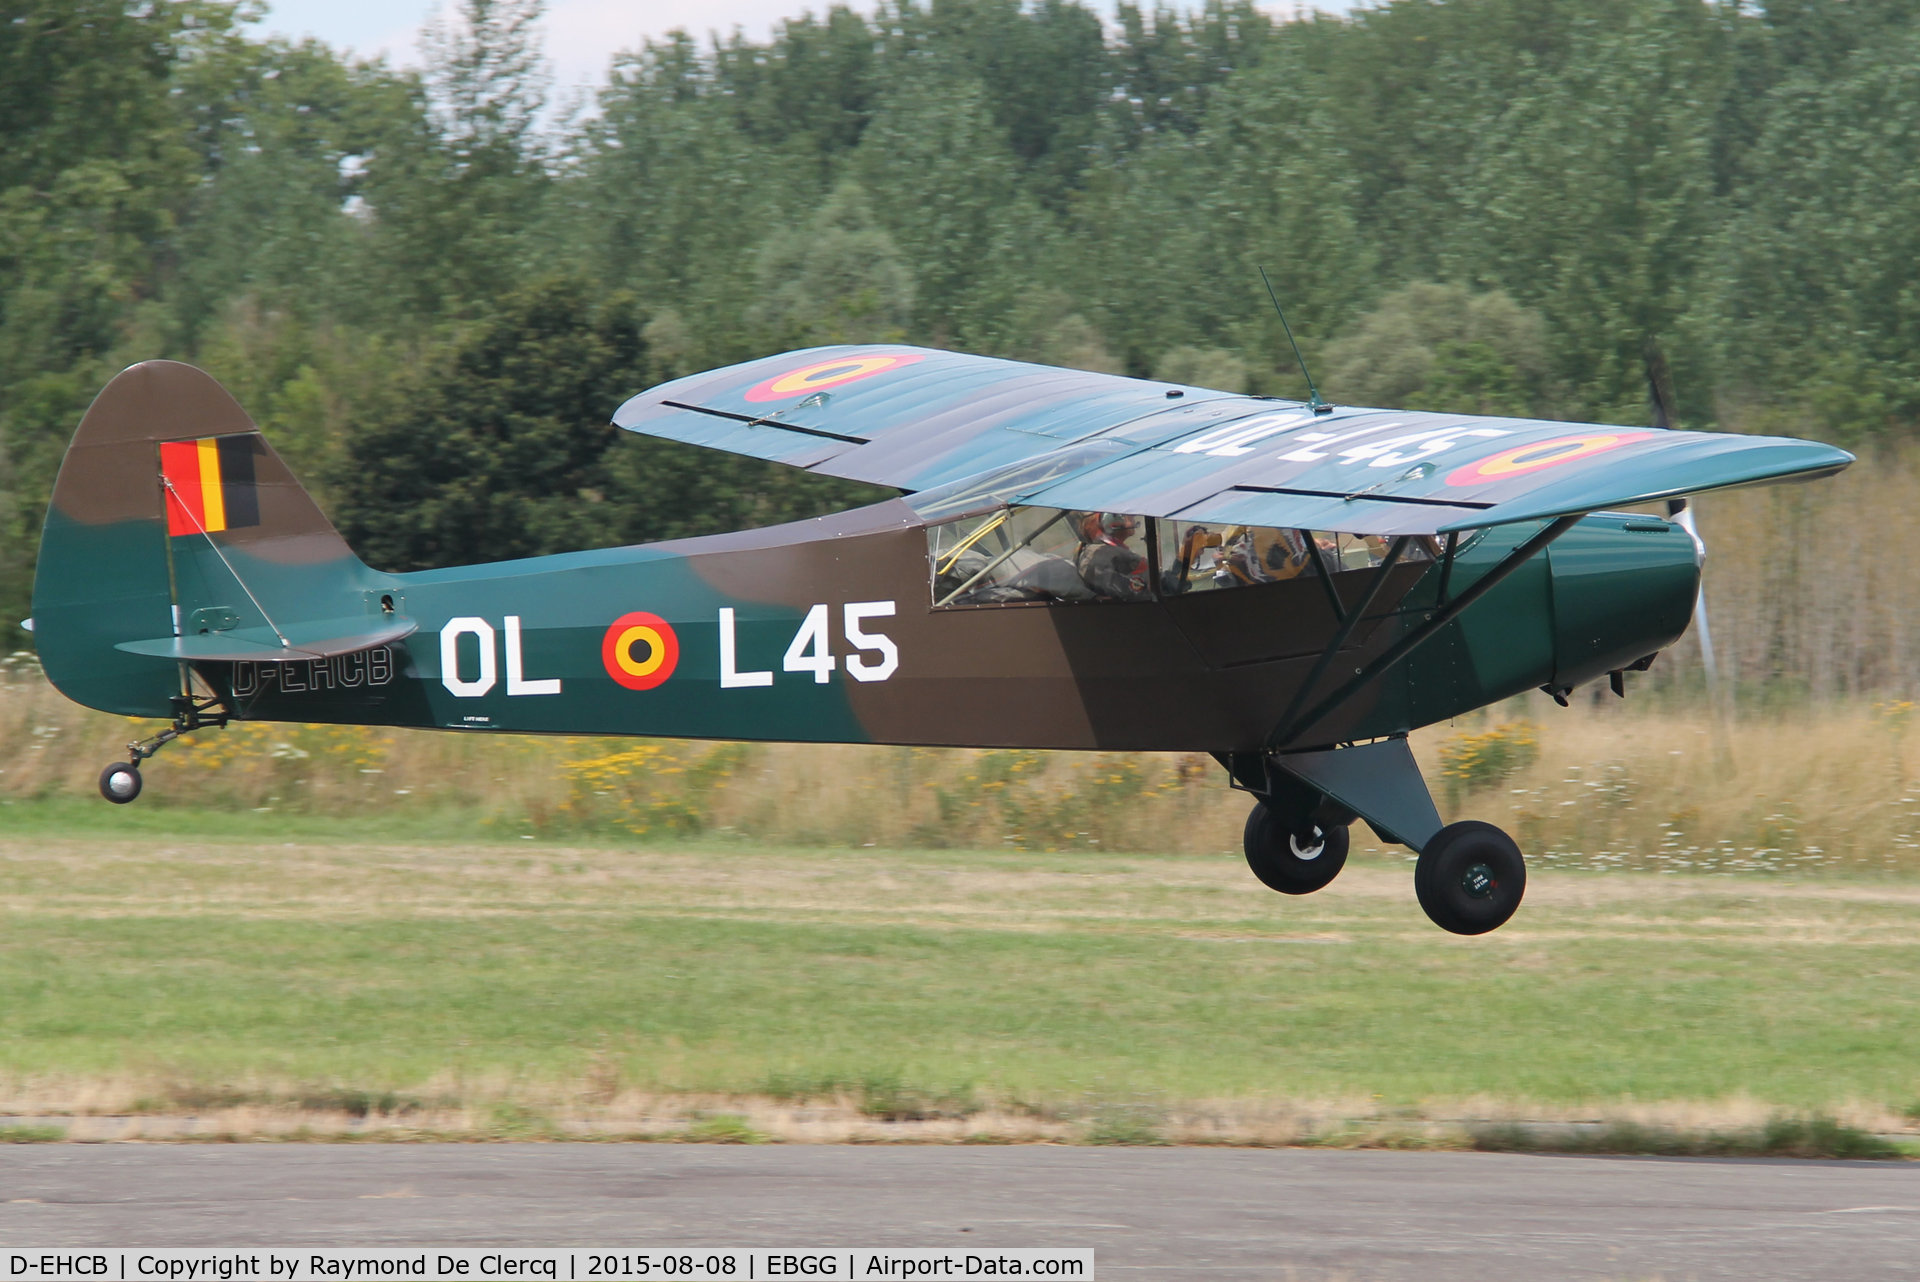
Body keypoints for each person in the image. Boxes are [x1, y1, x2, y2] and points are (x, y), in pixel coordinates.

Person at [1075, 511, 1150, 600]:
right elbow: (1141, 593)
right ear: (1109, 519)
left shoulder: (1096, 551)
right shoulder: (1105, 554)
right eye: (1127, 513)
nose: (1133, 515)